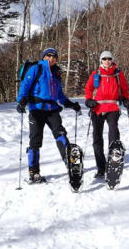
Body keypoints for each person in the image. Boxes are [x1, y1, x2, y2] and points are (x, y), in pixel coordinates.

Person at [16, 47, 81, 183]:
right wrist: (21, 101)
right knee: (35, 140)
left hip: (52, 109)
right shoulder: (36, 68)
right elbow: (25, 85)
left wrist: (70, 104)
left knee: (61, 134)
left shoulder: (56, 73)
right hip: (36, 109)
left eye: (54, 56)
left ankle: (70, 164)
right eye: (49, 55)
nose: (51, 58)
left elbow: (59, 95)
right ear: (44, 57)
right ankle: (34, 173)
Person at [84, 51, 129, 179]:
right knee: (97, 138)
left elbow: (124, 88)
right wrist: (89, 100)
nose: (107, 61)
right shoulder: (96, 74)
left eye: (109, 58)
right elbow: (88, 89)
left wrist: (126, 100)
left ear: (112, 60)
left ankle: (113, 161)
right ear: (101, 60)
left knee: (113, 133)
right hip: (97, 108)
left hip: (112, 107)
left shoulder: (117, 73)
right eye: (104, 59)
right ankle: (101, 168)